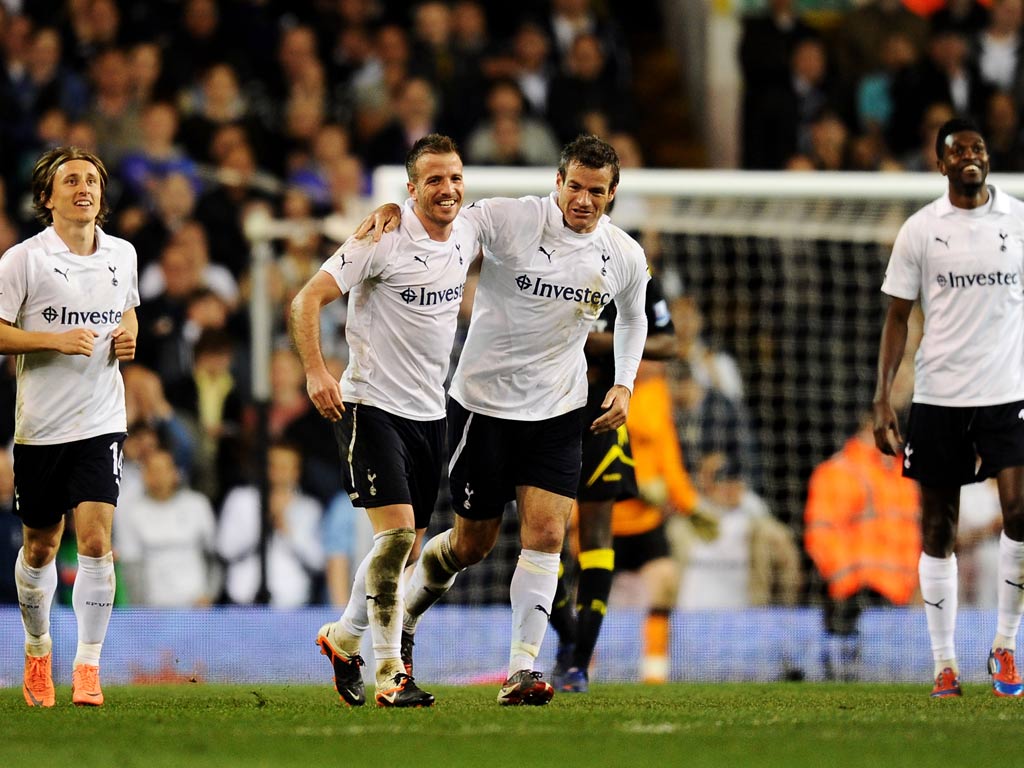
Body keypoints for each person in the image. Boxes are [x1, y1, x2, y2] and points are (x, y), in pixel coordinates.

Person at [361, 134, 650, 705]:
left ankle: (522, 669)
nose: (584, 200)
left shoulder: (624, 255)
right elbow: (444, 225)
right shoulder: (507, 219)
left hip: (558, 412)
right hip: (483, 407)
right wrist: (401, 209)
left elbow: (634, 319)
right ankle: (408, 619)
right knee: (473, 546)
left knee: (547, 536)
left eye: (597, 191)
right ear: (558, 182)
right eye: (575, 187)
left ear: (613, 193)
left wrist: (624, 382)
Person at [290, 134, 479, 708]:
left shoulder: (469, 232)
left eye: (454, 178)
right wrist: (316, 372)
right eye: (433, 181)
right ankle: (391, 672)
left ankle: (344, 637)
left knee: (403, 547)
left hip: (431, 412)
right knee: (396, 538)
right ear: (412, 187)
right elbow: (305, 301)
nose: (446, 189)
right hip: (373, 407)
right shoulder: (382, 238)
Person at [873, 117, 1024, 698]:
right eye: (957, 149)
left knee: (1020, 512)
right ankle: (945, 663)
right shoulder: (919, 230)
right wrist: (883, 396)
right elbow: (896, 317)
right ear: (940, 165)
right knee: (938, 527)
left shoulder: (1016, 221)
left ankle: (1006, 645)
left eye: (978, 146)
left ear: (988, 158)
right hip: (939, 397)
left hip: (1007, 395)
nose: (969, 155)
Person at [0, 146, 139, 707]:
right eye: (72, 181)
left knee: (96, 542)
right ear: (47, 197)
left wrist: (130, 332)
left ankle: (87, 665)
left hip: (102, 419)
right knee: (40, 547)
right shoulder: (24, 261)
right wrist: (51, 340)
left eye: (92, 181)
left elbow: (125, 309)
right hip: (41, 428)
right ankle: (38, 649)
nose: (84, 188)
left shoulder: (122, 254)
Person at [548, 273, 676, 693]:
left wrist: (600, 342)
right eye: (578, 198)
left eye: (598, 199)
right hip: (542, 413)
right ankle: (568, 638)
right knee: (540, 539)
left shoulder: (630, 268)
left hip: (602, 416)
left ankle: (580, 662)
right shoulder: (545, 261)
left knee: (596, 535)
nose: (585, 202)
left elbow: (667, 342)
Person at [806, 412, 921, 681]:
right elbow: (821, 536)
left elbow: (913, 536)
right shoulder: (840, 471)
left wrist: (916, 585)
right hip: (857, 603)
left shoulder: (904, 475)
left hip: (901, 602)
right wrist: (852, 583)